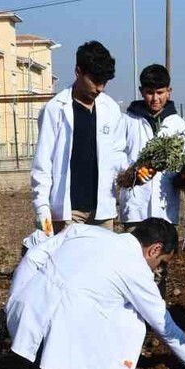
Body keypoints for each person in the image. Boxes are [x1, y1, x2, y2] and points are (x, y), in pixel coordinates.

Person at [5, 218, 185, 369]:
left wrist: (14, 304)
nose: (159, 269)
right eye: (162, 262)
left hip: (25, 318)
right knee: (133, 319)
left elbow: (32, 258)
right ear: (154, 249)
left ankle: (33, 365)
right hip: (61, 341)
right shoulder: (136, 268)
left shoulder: (84, 231)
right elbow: (162, 323)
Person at [31, 41, 127, 234]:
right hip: (69, 212)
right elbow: (43, 163)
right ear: (78, 72)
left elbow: (117, 154)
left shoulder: (111, 109)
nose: (100, 88)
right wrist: (41, 206)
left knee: (102, 263)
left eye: (104, 82)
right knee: (69, 262)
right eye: (95, 80)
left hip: (102, 211)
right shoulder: (55, 110)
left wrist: (129, 174)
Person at [117, 64, 185, 226]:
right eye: (149, 93)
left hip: (165, 210)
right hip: (135, 210)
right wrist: (131, 174)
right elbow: (116, 155)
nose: (155, 99)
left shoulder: (178, 126)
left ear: (169, 91)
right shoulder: (127, 121)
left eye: (160, 92)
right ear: (141, 91)